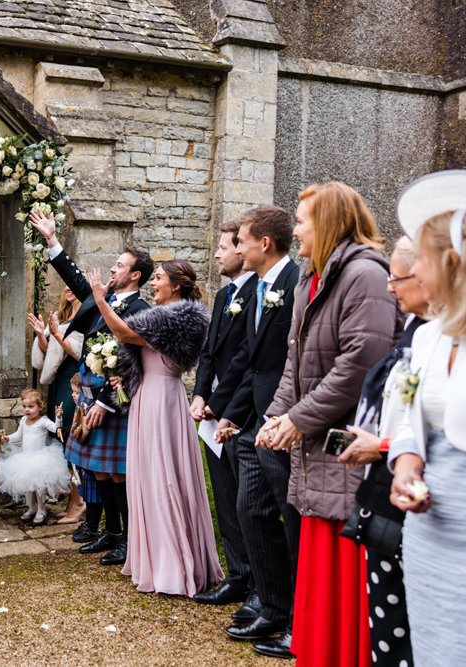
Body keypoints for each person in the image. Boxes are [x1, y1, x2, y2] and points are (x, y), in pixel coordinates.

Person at [260, 182, 400, 665]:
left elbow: (363, 360)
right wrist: (276, 416)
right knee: (318, 569)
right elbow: (294, 363)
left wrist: (299, 420)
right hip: (316, 450)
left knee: (345, 575)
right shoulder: (311, 277)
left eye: (302, 220)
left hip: (346, 451)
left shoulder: (363, 274)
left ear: (330, 222)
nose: (295, 228)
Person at [90, 261, 223, 596]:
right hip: (147, 396)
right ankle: (151, 557)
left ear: (176, 285)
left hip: (163, 401)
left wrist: (101, 300)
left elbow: (124, 333)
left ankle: (172, 565)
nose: (154, 284)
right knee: (148, 477)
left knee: (165, 478)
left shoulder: (180, 317)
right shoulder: (166, 314)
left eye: (159, 278)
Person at [29, 209, 151, 567]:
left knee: (116, 471)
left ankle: (129, 539)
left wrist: (108, 403)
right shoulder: (105, 299)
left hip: (112, 400)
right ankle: (110, 532)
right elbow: (76, 279)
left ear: (135, 274)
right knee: (98, 470)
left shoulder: (139, 308)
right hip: (88, 394)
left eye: (119, 265)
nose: (112, 269)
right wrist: (52, 240)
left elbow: (131, 365)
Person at [207, 206, 301, 652]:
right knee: (251, 511)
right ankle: (273, 605)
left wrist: (281, 417)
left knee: (289, 521)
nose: (236, 247)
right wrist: (230, 411)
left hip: (285, 423)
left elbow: (290, 363)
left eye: (240, 240)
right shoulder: (263, 287)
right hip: (254, 420)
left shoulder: (294, 285)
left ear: (263, 243)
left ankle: (298, 615)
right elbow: (248, 360)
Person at [387, 170, 466, 665]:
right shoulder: (427, 337)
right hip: (427, 535)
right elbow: (407, 418)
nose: (412, 270)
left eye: (422, 256)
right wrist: (406, 465)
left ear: (451, 260)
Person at [338, 236, 429, 666]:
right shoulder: (414, 331)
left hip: (418, 501)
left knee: (416, 628)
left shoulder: (440, 340)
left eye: (398, 276)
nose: (390, 287)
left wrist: (385, 447)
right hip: (386, 491)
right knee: (389, 621)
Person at [190, 217, 258, 608]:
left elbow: (248, 361)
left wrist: (220, 405)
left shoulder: (258, 295)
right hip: (212, 411)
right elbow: (210, 354)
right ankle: (238, 574)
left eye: (223, 246)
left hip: (241, 412)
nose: (216, 252)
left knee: (248, 504)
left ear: (242, 251)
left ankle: (258, 582)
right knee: (227, 497)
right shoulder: (221, 296)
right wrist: (200, 395)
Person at [29, 286, 85, 523]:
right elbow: (48, 354)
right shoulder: (61, 318)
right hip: (57, 382)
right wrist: (42, 334)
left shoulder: (85, 319)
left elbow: (80, 353)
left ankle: (80, 502)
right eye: (64, 284)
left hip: (73, 381)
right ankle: (74, 500)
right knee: (62, 439)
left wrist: (57, 335)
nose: (66, 287)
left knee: (72, 439)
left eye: (72, 284)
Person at [0, 389, 71, 524]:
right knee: (27, 486)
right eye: (24, 406)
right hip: (25, 458)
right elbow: (19, 435)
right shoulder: (23, 420)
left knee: (39, 487)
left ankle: (41, 509)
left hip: (40, 459)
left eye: (31, 406)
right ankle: (31, 508)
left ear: (40, 407)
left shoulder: (43, 421)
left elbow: (55, 428)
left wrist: (58, 417)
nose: (27, 410)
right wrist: (8, 438)